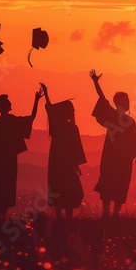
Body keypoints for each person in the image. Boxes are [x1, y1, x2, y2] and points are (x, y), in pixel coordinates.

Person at [89, 69, 136, 217]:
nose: (129, 103)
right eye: (126, 101)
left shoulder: (130, 121)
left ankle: (115, 213)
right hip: (110, 157)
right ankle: (106, 212)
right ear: (119, 102)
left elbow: (134, 140)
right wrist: (96, 82)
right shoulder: (112, 116)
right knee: (108, 183)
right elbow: (102, 98)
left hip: (124, 159)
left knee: (121, 184)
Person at [0, 90, 42, 216]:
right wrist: (36, 100)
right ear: (5, 105)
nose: (11, 104)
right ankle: (0, 218)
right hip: (8, 163)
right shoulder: (11, 121)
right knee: (6, 193)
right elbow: (31, 118)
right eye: (9, 102)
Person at [41, 84, 86, 218]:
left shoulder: (59, 127)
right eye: (72, 110)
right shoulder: (67, 127)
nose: (73, 112)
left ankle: (63, 217)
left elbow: (50, 109)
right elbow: (50, 109)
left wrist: (76, 165)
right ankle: (65, 218)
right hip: (64, 164)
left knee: (65, 189)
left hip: (60, 163)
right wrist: (47, 95)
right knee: (66, 189)